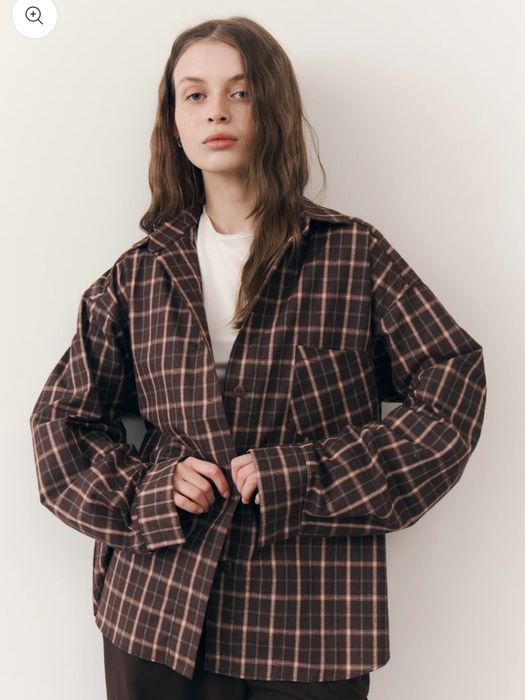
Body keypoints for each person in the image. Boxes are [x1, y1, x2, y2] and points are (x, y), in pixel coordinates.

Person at [29, 15, 487, 700]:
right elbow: (61, 423)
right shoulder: (136, 276)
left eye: (239, 92)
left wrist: (306, 476)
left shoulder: (353, 256)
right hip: (157, 608)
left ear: (273, 109)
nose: (216, 110)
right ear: (174, 123)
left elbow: (451, 386)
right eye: (194, 94)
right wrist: (152, 491)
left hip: (309, 620)